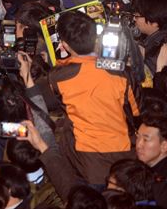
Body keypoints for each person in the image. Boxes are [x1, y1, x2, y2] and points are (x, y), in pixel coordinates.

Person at [49, 11, 139, 187]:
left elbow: (58, 104)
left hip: (87, 159)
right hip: (124, 153)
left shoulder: (57, 77)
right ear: (97, 36)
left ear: (65, 45)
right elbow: (137, 112)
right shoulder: (122, 72)